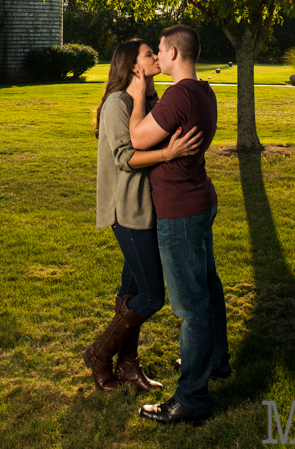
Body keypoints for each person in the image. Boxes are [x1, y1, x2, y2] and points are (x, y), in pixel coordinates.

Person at [83, 39, 203, 393]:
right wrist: (169, 153)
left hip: (148, 211)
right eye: (149, 54)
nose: (155, 57)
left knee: (131, 290)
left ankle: (129, 366)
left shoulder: (148, 100)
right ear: (134, 66)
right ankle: (100, 355)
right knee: (151, 296)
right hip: (128, 212)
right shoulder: (117, 103)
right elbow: (125, 158)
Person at [127, 24, 229, 426]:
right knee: (209, 286)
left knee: (191, 308)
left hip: (180, 211)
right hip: (201, 200)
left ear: (171, 52)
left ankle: (191, 398)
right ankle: (216, 361)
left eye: (160, 50)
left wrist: (136, 98)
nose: (157, 57)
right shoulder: (204, 90)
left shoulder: (179, 94)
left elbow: (137, 138)